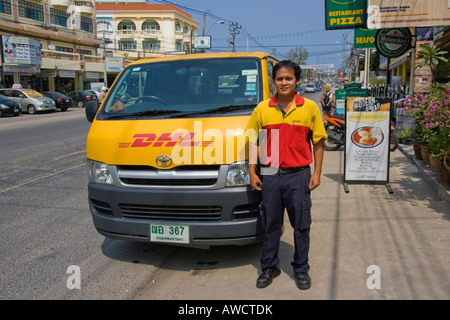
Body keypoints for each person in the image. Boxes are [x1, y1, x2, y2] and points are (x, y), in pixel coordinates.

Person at [245, 60, 327, 290]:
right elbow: (254, 140)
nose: (284, 82)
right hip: (270, 172)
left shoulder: (309, 107)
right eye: (279, 78)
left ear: (297, 81)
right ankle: (269, 267)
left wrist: (317, 172)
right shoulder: (262, 108)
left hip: (299, 174)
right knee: (270, 223)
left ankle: (301, 268)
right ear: (273, 81)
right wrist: (252, 170)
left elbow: (318, 141)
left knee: (301, 225)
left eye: (288, 78)